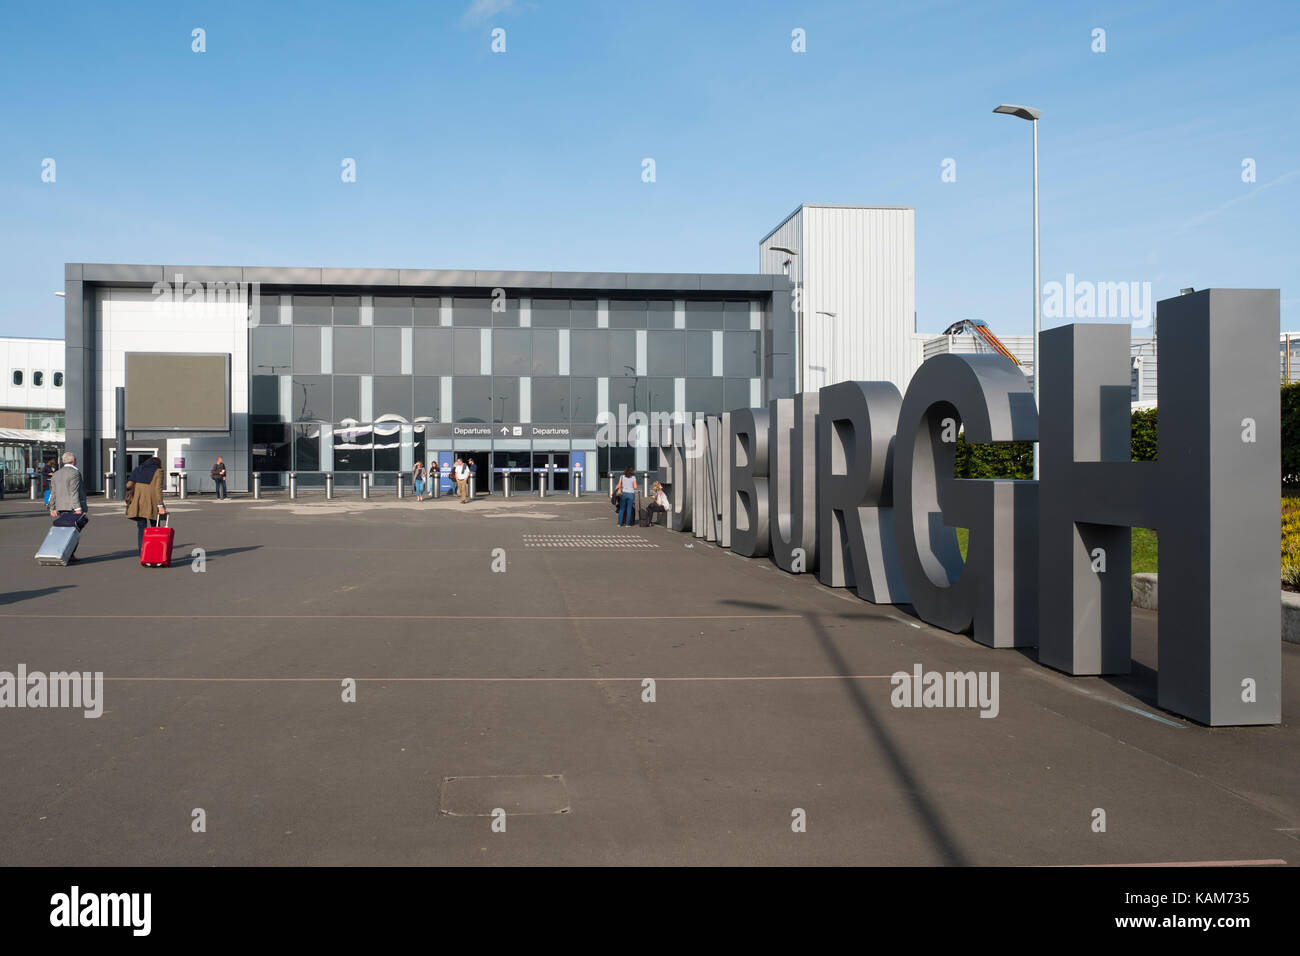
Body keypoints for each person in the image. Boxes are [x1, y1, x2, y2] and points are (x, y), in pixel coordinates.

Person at [49, 452, 89, 561]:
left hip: (61, 506)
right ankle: (69, 554)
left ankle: (62, 552)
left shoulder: (56, 473)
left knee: (63, 531)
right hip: (72, 507)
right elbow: (74, 492)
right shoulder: (75, 473)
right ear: (73, 461)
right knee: (74, 532)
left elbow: (53, 492)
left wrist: (52, 507)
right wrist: (78, 508)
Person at [125, 456, 167, 552]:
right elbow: (158, 490)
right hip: (153, 503)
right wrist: (160, 506)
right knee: (155, 528)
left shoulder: (138, 469)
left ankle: (142, 553)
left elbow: (128, 485)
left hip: (138, 503)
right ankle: (155, 552)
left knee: (141, 529)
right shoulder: (158, 471)